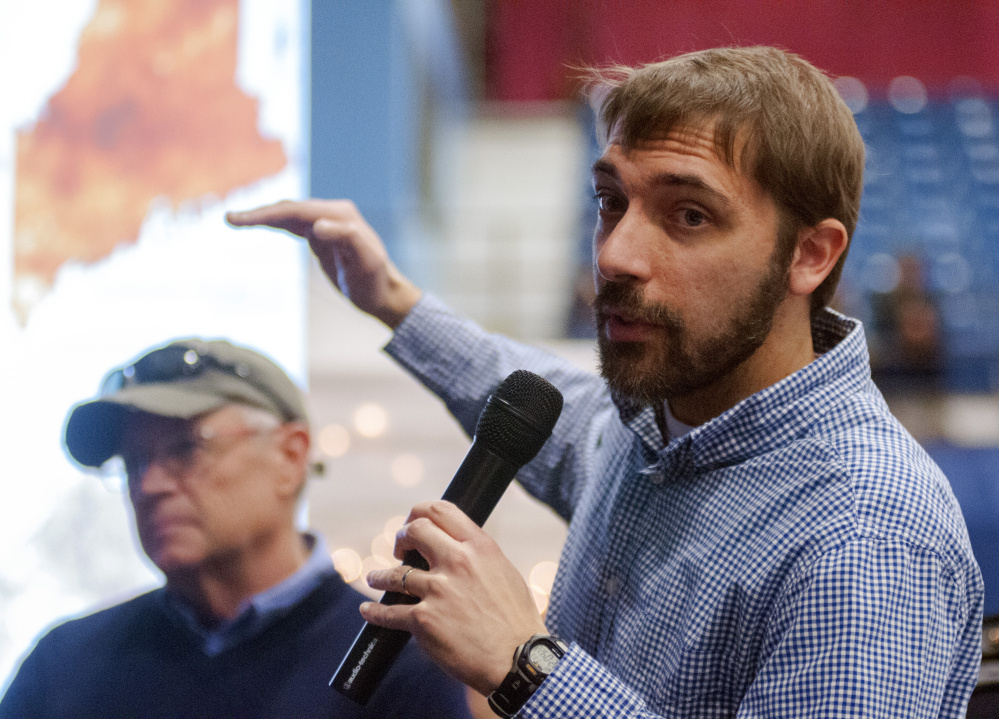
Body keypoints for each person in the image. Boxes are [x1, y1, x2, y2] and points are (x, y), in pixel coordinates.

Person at [227, 46, 984, 718]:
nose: (615, 255)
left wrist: (527, 667)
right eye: (609, 202)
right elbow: (539, 400)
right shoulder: (659, 424)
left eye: (688, 215)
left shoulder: (865, 536)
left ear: (809, 255)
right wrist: (391, 298)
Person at [0, 339, 472, 718]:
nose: (149, 484)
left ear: (290, 456)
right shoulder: (65, 666)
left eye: (185, 449)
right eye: (133, 462)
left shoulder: (395, 667)